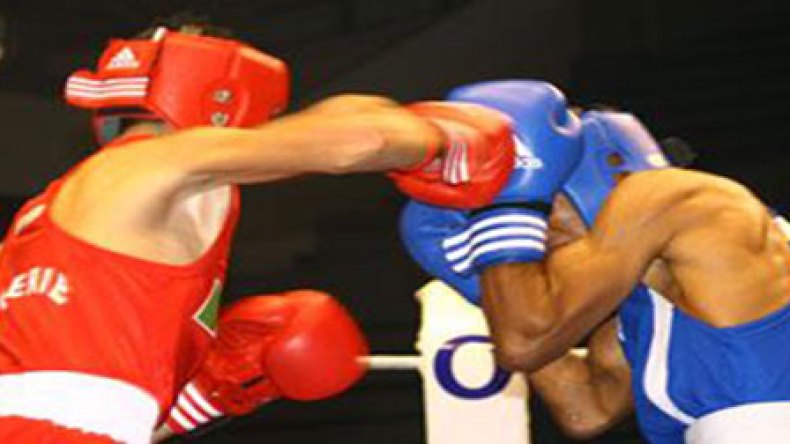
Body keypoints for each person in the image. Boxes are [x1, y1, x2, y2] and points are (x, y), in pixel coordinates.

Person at [0, 21, 514, 443]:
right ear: (227, 99)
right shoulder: (155, 164)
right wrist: (446, 139)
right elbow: (357, 142)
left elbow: (73, 402)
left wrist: (205, 395)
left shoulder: (61, 209)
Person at [399, 79, 790, 443]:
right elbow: (586, 409)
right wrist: (495, 290)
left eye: (542, 207)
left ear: (602, 170)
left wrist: (508, 205)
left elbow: (522, 344)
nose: (540, 234)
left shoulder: (677, 198)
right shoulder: (646, 306)